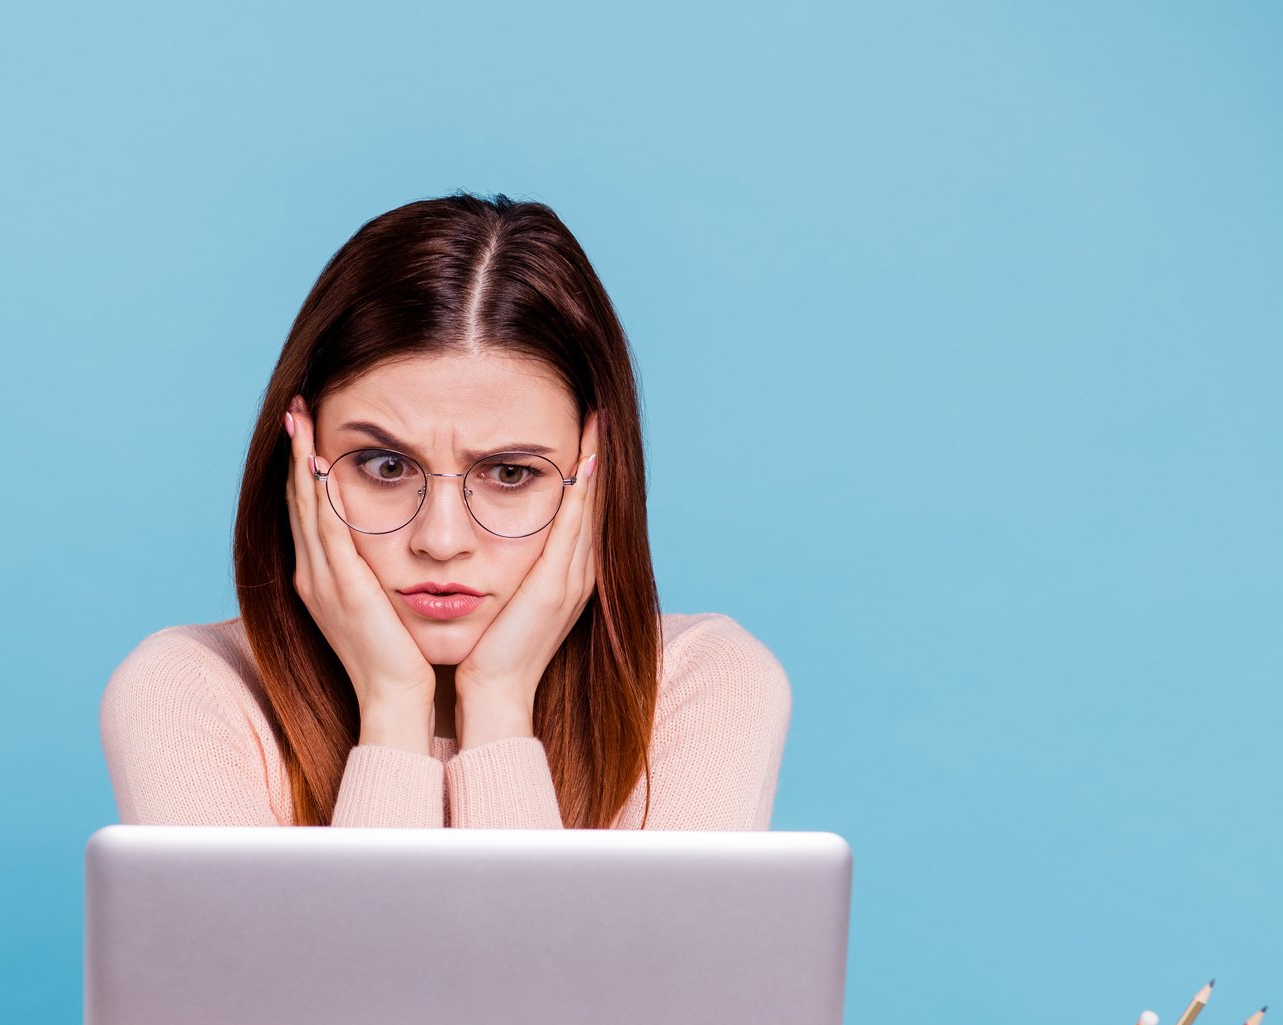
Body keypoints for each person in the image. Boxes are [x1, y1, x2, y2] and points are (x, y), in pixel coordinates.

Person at [101, 192, 790, 830]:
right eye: (385, 466)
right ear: (300, 456)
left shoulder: (702, 684)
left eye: (510, 473)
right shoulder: (193, 691)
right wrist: (390, 706)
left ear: (595, 476)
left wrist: (497, 702)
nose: (440, 539)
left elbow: (532, 969)